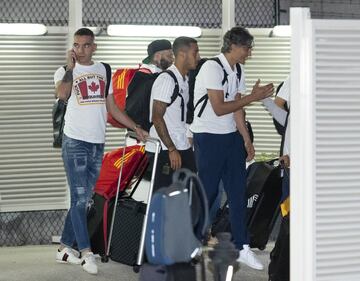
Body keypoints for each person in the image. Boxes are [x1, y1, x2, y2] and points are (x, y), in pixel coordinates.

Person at [53, 27, 147, 275]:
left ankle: (64, 247)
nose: (80, 50)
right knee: (81, 197)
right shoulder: (64, 72)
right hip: (74, 142)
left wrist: (135, 127)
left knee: (83, 201)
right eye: (76, 45)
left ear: (94, 47)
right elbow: (61, 95)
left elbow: (112, 108)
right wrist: (70, 68)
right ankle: (86, 252)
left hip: (97, 142)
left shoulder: (104, 69)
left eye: (85, 45)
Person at [190, 26, 274, 270]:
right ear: (234, 46)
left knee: (238, 194)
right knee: (208, 193)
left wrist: (246, 138)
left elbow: (237, 108)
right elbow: (219, 107)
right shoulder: (211, 68)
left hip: (230, 138)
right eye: (247, 48)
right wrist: (253, 97)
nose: (249, 53)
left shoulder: (238, 69)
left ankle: (242, 246)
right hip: (208, 136)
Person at [149, 36, 200, 191]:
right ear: (182, 55)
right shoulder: (167, 79)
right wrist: (171, 148)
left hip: (181, 144)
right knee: (164, 199)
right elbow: (157, 117)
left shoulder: (183, 79)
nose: (198, 57)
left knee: (186, 195)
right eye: (195, 53)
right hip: (166, 149)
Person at [262, 76, 290, 281]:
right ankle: (280, 271)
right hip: (294, 169)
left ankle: (280, 269)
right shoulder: (295, 79)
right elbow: (285, 121)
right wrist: (265, 100)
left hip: (309, 170)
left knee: (292, 224)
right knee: (290, 222)